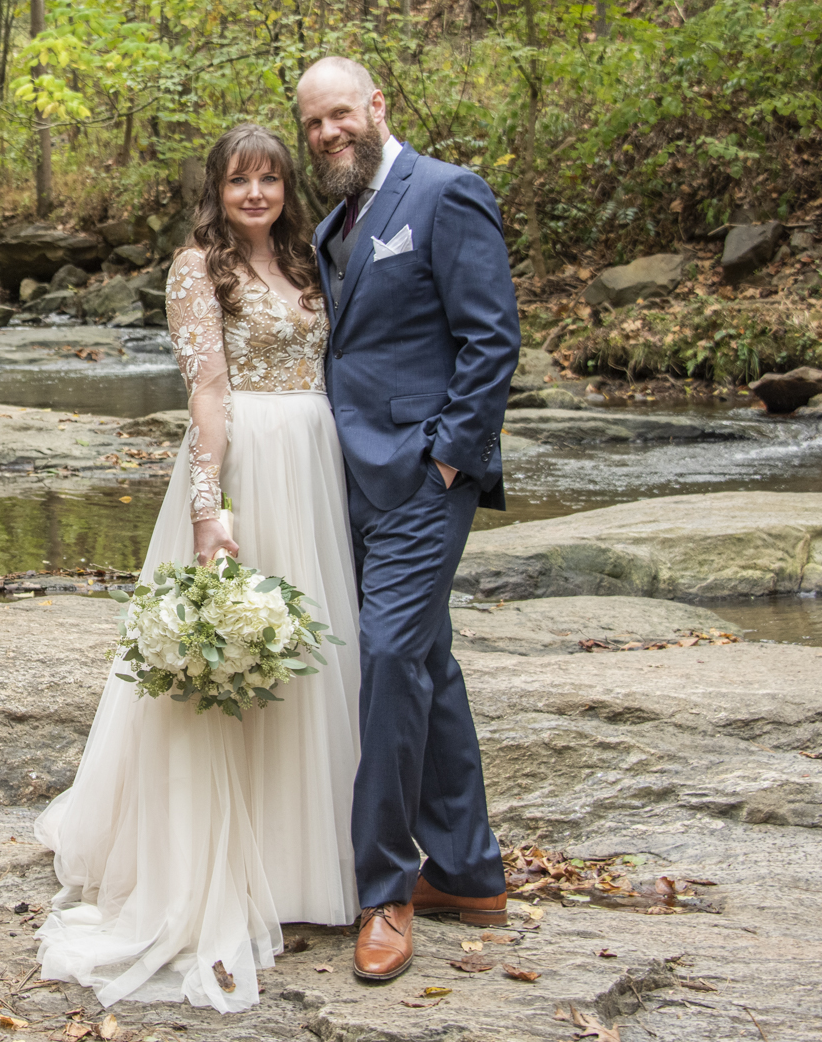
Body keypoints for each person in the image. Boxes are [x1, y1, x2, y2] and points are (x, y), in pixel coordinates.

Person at [33, 122, 363, 1012]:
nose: (255, 194)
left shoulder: (308, 261)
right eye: (238, 181)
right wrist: (209, 507)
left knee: (312, 657)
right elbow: (207, 392)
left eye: (269, 179)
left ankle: (304, 860)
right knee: (234, 661)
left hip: (316, 464)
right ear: (216, 190)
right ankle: (216, 864)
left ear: (288, 187)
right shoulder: (196, 267)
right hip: (249, 463)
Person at [301, 55, 519, 983]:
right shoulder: (331, 225)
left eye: (340, 113)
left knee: (387, 658)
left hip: (424, 482)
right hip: (346, 482)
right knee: (426, 658)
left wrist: (446, 458)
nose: (326, 134)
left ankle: (385, 889)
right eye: (312, 123)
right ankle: (470, 870)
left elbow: (492, 335)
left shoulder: (446, 192)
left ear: (377, 106)